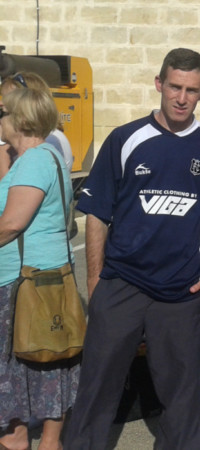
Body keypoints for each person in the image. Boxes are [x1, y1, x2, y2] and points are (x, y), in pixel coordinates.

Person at [63, 48, 200, 449]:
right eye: (174, 86)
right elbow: (97, 216)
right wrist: (96, 284)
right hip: (122, 284)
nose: (181, 97)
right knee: (96, 390)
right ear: (159, 84)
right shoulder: (125, 138)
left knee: (181, 399)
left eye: (191, 90)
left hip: (181, 291)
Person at [0, 87, 79, 450]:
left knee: (16, 372)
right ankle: (47, 443)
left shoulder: (32, 162)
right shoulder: (49, 155)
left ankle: (19, 440)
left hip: (22, 282)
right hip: (46, 277)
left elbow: (11, 224)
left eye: (3, 113)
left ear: (19, 120)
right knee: (46, 366)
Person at [0, 73, 74, 174]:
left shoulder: (48, 140)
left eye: (10, 99)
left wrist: (2, 143)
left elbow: (10, 185)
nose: (2, 103)